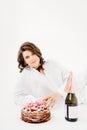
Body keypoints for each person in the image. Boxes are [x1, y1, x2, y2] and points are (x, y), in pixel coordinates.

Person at [15, 42, 87, 108]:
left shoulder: (51, 63)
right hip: (66, 102)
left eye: (33, 54)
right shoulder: (26, 74)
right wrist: (35, 102)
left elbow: (69, 77)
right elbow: (17, 96)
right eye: (27, 57)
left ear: (37, 53)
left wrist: (59, 93)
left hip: (76, 88)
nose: (32, 58)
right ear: (24, 61)